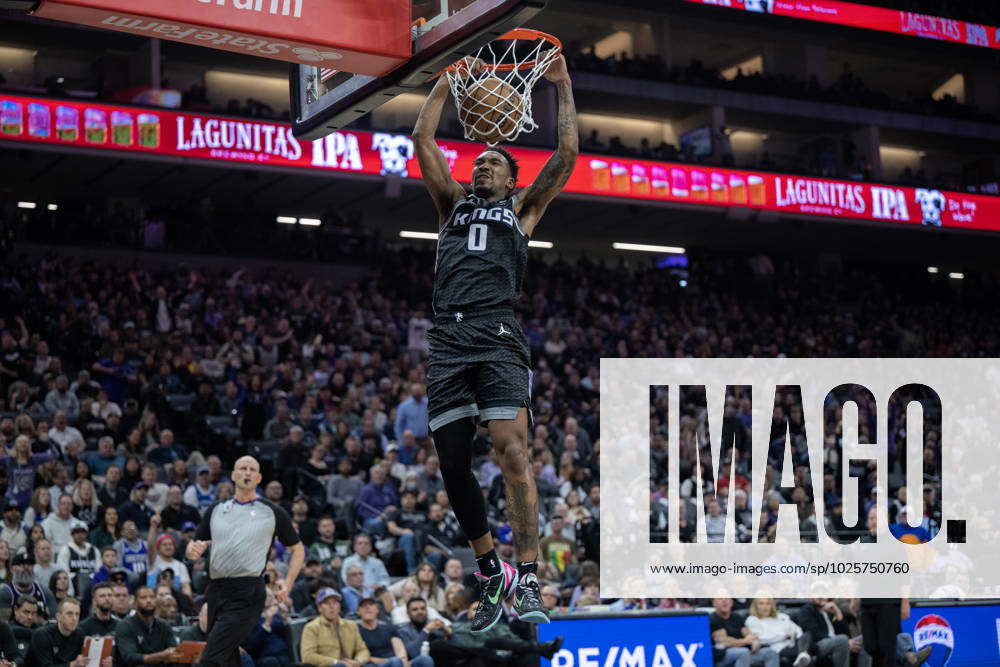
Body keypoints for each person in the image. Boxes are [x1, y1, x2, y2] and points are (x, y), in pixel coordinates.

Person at [412, 51, 578, 631]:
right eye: (477, 162)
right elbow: (423, 138)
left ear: (511, 178)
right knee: (453, 463)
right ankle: (491, 573)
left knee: (512, 453)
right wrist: (444, 83)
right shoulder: (450, 204)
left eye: (492, 165)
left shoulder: (523, 210)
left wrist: (561, 86)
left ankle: (528, 577)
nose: (481, 169)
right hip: (449, 337)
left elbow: (567, 156)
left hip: (499, 331)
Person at [186, 456, 304, 667]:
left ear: (259, 478)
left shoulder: (272, 512)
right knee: (227, 658)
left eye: (252, 469)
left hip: (247, 591)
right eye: (242, 468)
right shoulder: (216, 509)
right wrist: (192, 550)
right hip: (215, 589)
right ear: (233, 475)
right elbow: (194, 546)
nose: (247, 472)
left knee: (211, 657)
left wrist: (289, 582)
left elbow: (298, 549)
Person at [300, 588, 370, 667]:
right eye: (327, 603)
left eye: (335, 602)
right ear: (319, 608)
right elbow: (308, 656)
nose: (331, 606)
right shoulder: (311, 628)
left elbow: (363, 650)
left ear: (339, 606)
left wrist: (358, 661)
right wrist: (336, 662)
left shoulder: (351, 625)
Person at [357, 597, 433, 667]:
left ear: (377, 610)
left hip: (397, 662)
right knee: (395, 661)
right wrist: (389, 661)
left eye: (371, 605)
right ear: (358, 611)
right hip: (374, 664)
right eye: (363, 606)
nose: (367, 608)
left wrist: (403, 660)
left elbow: (400, 649)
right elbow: (362, 656)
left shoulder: (388, 628)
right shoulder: (355, 630)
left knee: (425, 659)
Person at [113, 586, 179, 665]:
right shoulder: (125, 625)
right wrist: (161, 656)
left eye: (152, 597)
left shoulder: (164, 625)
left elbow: (174, 652)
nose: (149, 600)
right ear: (135, 603)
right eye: (143, 598)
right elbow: (130, 657)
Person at [711, 597, 779, 667]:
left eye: (727, 598)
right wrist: (745, 641)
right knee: (743, 652)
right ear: (713, 603)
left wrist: (755, 642)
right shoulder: (713, 618)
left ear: (731, 602)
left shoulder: (736, 617)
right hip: (724, 655)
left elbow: (750, 635)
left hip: (745, 652)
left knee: (770, 652)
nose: (724, 600)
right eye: (720, 598)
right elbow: (724, 643)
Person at [745, 597, 812, 666]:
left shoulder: (782, 616)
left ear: (772, 605)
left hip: (794, 643)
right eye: (761, 604)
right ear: (755, 606)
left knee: (808, 634)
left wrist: (793, 634)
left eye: (768, 603)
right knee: (809, 652)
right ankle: (803, 654)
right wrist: (784, 635)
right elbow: (762, 639)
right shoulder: (752, 620)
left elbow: (798, 630)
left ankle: (802, 654)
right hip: (777, 649)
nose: (765, 607)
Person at [29, 597, 91, 667]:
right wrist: (72, 664)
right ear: (58, 617)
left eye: (77, 614)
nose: (74, 618)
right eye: (69, 614)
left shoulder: (79, 634)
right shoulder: (42, 635)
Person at [397, 597, 450, 663]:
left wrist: (448, 631)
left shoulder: (436, 626)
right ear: (408, 613)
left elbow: (457, 649)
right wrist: (426, 631)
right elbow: (413, 653)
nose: (420, 612)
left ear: (427, 611)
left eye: (423, 608)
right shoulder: (403, 631)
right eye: (415, 609)